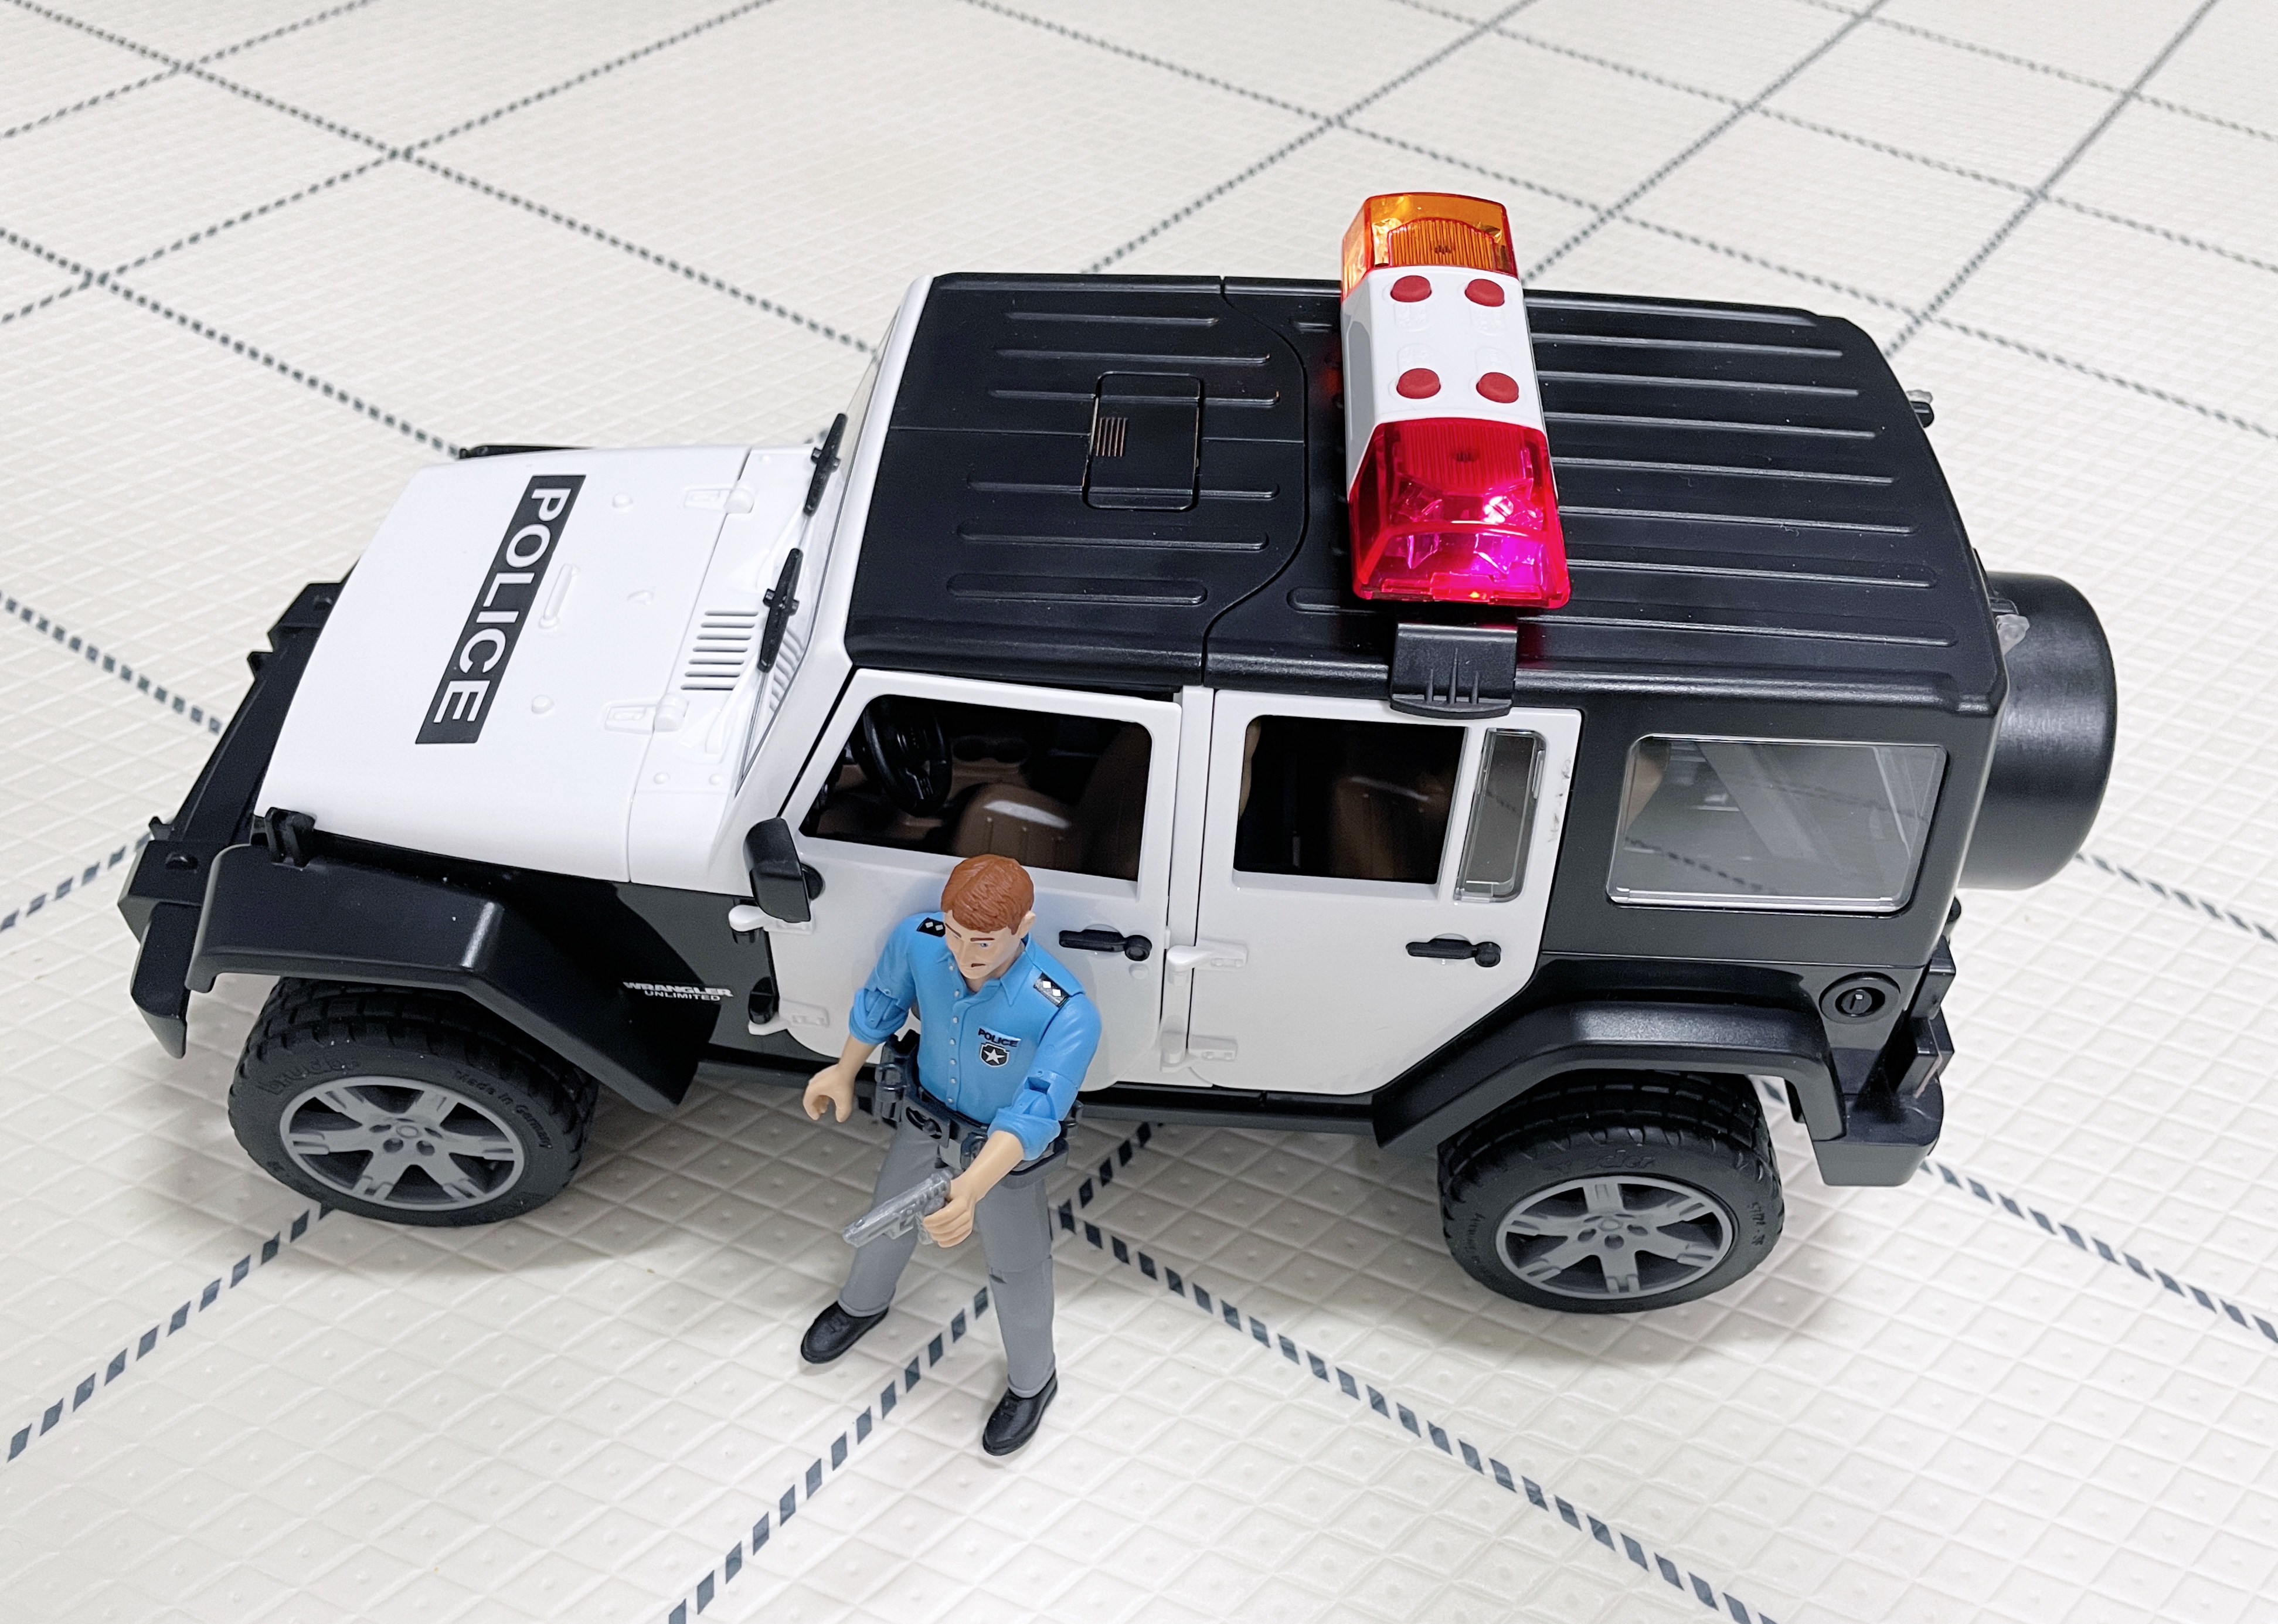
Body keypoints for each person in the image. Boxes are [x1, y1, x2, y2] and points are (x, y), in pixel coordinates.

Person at [799, 854, 1099, 1455]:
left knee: (1018, 1269)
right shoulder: (921, 942)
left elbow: (1035, 1112)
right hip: (923, 1118)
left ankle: (1033, 1381)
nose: (965, 952)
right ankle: (861, 1305)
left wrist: (973, 1186)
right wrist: (843, 1069)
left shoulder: (1063, 1010)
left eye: (984, 941)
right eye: (957, 934)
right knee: (886, 1219)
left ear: (1023, 927)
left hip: (1001, 1156)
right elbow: (882, 1001)